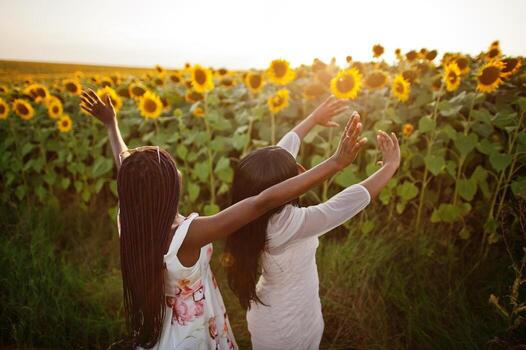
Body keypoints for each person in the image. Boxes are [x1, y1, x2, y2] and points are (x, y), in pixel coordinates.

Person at [79, 90, 368, 349]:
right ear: (168, 190)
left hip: (159, 326)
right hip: (194, 330)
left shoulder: (130, 220)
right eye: (173, 171)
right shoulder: (188, 235)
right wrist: (335, 163)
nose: (178, 172)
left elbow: (126, 167)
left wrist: (111, 124)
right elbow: (262, 201)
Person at [224, 96, 401, 350]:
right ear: (279, 190)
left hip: (293, 309)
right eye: (293, 170)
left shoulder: (251, 209)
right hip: (284, 329)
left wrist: (313, 119)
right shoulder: (286, 225)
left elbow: (283, 149)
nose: (300, 167)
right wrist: (390, 166)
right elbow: (342, 205)